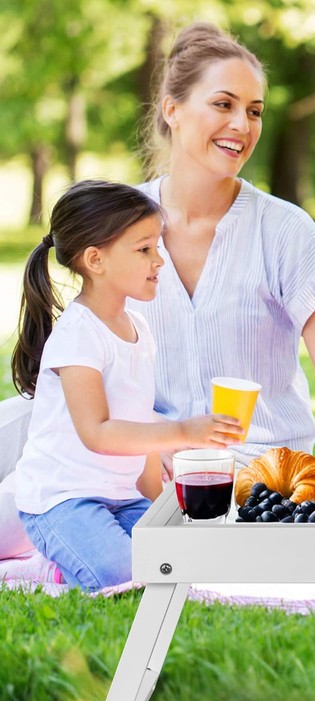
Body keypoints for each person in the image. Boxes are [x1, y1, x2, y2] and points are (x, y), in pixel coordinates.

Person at [131, 22, 315, 472]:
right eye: (223, 104)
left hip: (264, 480)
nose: (242, 125)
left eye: (255, 111)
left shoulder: (284, 231)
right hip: (148, 474)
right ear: (172, 109)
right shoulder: (119, 223)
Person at [11, 181, 243, 590]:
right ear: (95, 260)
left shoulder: (138, 328)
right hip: (63, 499)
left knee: (182, 563)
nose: (160, 260)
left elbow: (140, 425)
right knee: (126, 576)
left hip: (121, 496)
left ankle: (81, 555)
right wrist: (183, 431)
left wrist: (156, 509)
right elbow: (98, 433)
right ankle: (48, 568)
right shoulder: (79, 334)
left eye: (157, 246)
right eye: (144, 249)